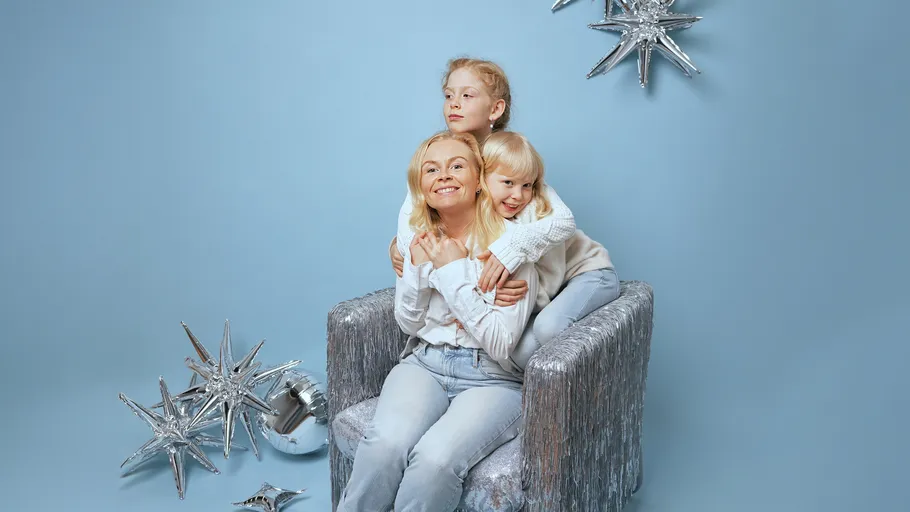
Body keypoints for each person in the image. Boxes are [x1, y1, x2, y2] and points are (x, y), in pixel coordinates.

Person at [337, 130, 539, 512]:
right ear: (421, 186)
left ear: (479, 180)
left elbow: (499, 343)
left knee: (434, 461)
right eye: (431, 170)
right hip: (424, 364)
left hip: (492, 378)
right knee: (385, 446)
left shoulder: (511, 247)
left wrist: (453, 272)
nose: (443, 175)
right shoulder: (419, 238)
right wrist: (416, 269)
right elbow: (410, 325)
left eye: (456, 166)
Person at [479, 130, 619, 369]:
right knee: (514, 354)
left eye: (526, 185)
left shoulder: (537, 209)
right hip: (554, 290)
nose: (518, 195)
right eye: (508, 183)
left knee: (547, 328)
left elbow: (548, 281)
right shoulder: (484, 217)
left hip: (591, 275)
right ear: (483, 179)